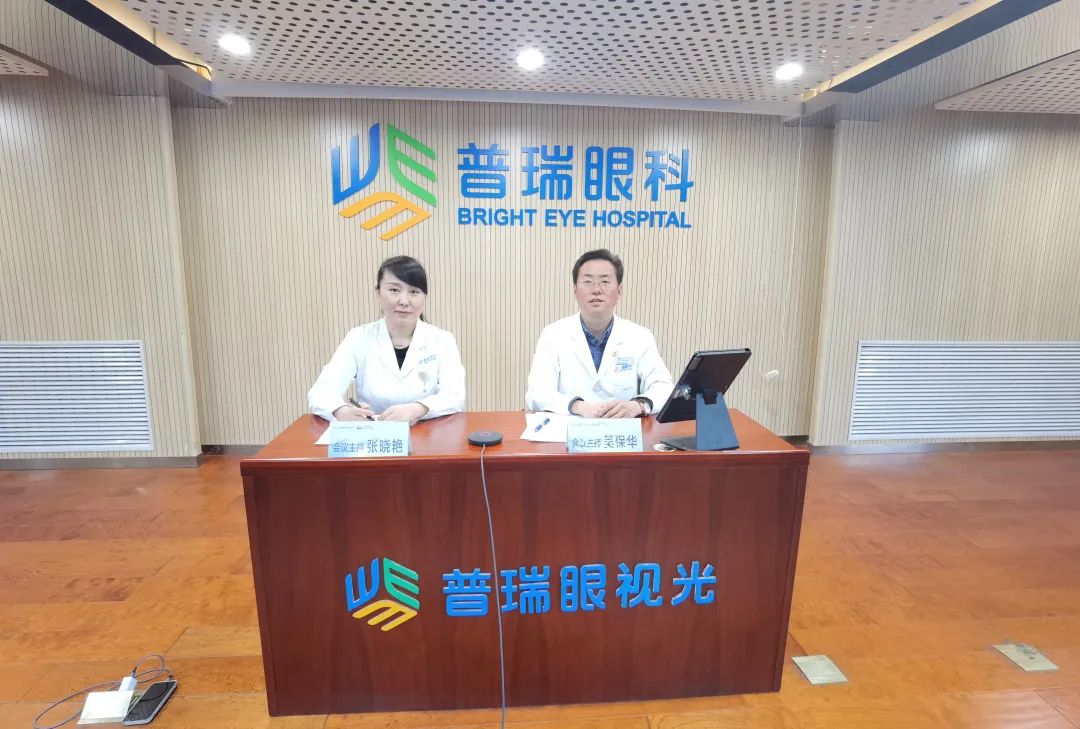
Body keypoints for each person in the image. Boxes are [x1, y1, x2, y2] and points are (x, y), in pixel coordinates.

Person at [308, 256, 465, 424]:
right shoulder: (359, 337)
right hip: (373, 432)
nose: (404, 301)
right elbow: (321, 392)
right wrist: (341, 410)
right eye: (394, 290)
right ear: (378, 293)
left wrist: (418, 409)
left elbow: (455, 395)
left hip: (427, 431)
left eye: (413, 292)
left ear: (424, 297)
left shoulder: (442, 340)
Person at [526, 249, 674, 418]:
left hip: (622, 429)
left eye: (605, 281)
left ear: (619, 291)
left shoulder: (640, 336)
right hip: (569, 428)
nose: (596, 289)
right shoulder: (553, 334)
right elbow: (537, 393)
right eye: (588, 282)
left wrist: (638, 406)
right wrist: (578, 406)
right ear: (575, 290)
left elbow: (664, 387)